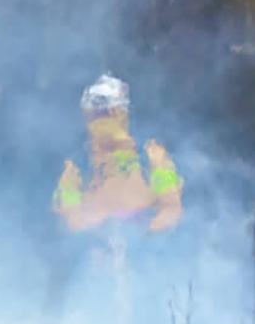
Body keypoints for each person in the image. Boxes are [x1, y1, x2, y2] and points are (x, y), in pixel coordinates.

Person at [53, 73, 183, 233]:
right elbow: (70, 220)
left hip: (144, 252)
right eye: (94, 114)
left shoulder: (152, 155)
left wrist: (143, 233)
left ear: (121, 113)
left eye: (107, 112)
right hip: (96, 252)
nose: (99, 121)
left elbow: (171, 208)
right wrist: (100, 228)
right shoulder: (75, 166)